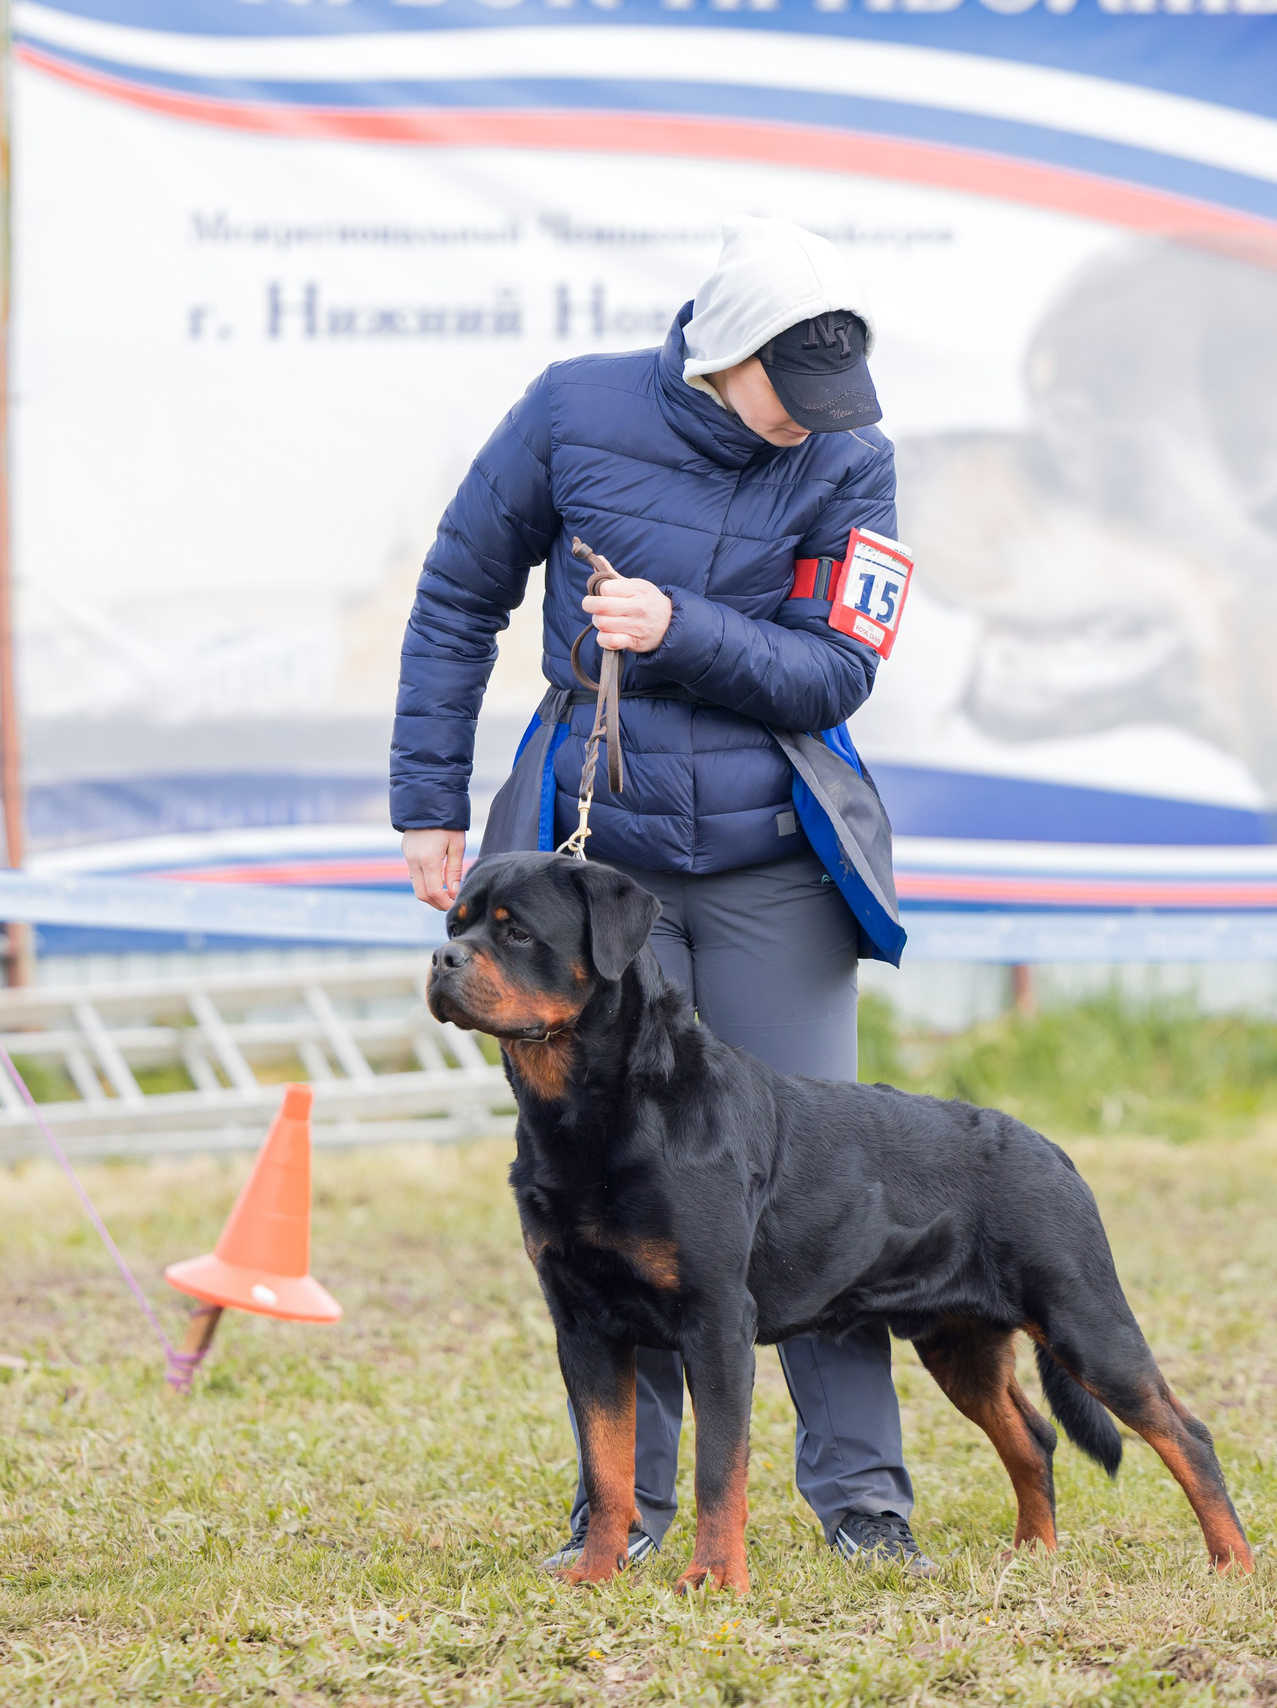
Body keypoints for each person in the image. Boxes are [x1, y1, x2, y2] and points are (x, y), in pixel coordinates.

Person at [391, 217, 931, 1575]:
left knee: (821, 1189)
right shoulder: (574, 407)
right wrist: (428, 802)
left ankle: (863, 1502)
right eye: (785, 399)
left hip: (771, 866)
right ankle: (622, 1514)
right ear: (718, 354)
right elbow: (461, 591)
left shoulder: (851, 454)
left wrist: (680, 630)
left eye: (831, 405)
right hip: (591, 875)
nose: (809, 427)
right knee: (605, 1196)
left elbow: (836, 672)